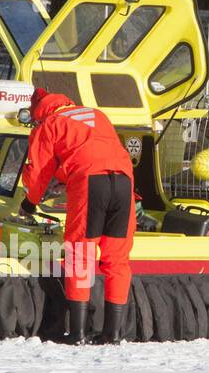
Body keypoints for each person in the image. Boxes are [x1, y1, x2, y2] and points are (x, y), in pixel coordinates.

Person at [20, 87, 135, 344]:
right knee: (116, 258)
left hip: (90, 183)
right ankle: (112, 334)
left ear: (38, 110)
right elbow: (93, 149)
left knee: (80, 254)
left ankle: (77, 333)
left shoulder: (49, 124)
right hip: (124, 182)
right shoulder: (96, 114)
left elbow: (38, 171)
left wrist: (29, 204)